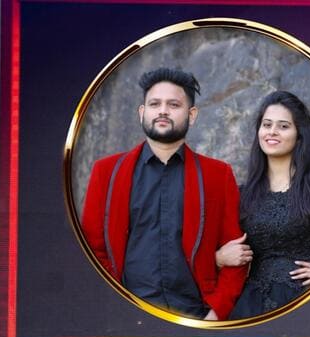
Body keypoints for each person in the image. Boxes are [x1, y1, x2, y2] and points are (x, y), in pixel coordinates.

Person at [80, 67, 246, 320]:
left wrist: (215, 314)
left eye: (174, 104)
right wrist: (114, 308)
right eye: (154, 103)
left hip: (196, 314)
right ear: (142, 112)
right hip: (128, 315)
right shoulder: (107, 172)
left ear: (192, 115)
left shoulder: (218, 175)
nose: (163, 111)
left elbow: (236, 252)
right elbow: (91, 251)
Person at [215, 90, 310, 318]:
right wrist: (218, 258)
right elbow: (201, 250)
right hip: (252, 309)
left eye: (283, 126)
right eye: (267, 125)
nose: (272, 131)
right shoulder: (241, 195)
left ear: (299, 135)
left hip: (308, 305)